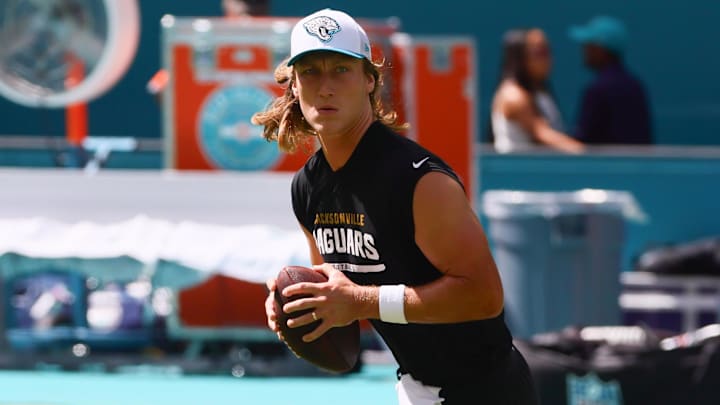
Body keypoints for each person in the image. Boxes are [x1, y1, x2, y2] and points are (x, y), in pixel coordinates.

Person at [253, 8, 538, 404]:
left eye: (340, 69)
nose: (325, 86)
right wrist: (300, 302)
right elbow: (334, 287)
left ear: (370, 81)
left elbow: (483, 297)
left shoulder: (418, 180)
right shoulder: (308, 186)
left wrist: (360, 302)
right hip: (414, 387)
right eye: (311, 72)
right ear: (294, 87)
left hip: (486, 389)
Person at [489, 28, 584, 153]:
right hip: (518, 171)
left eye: (548, 51)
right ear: (521, 57)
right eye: (540, 52)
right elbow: (542, 133)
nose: (548, 59)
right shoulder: (513, 95)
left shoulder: (541, 92)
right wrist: (585, 153)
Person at [569, 15, 653, 145]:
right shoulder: (635, 86)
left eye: (588, 45)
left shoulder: (597, 90)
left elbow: (580, 141)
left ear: (600, 49)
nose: (584, 50)